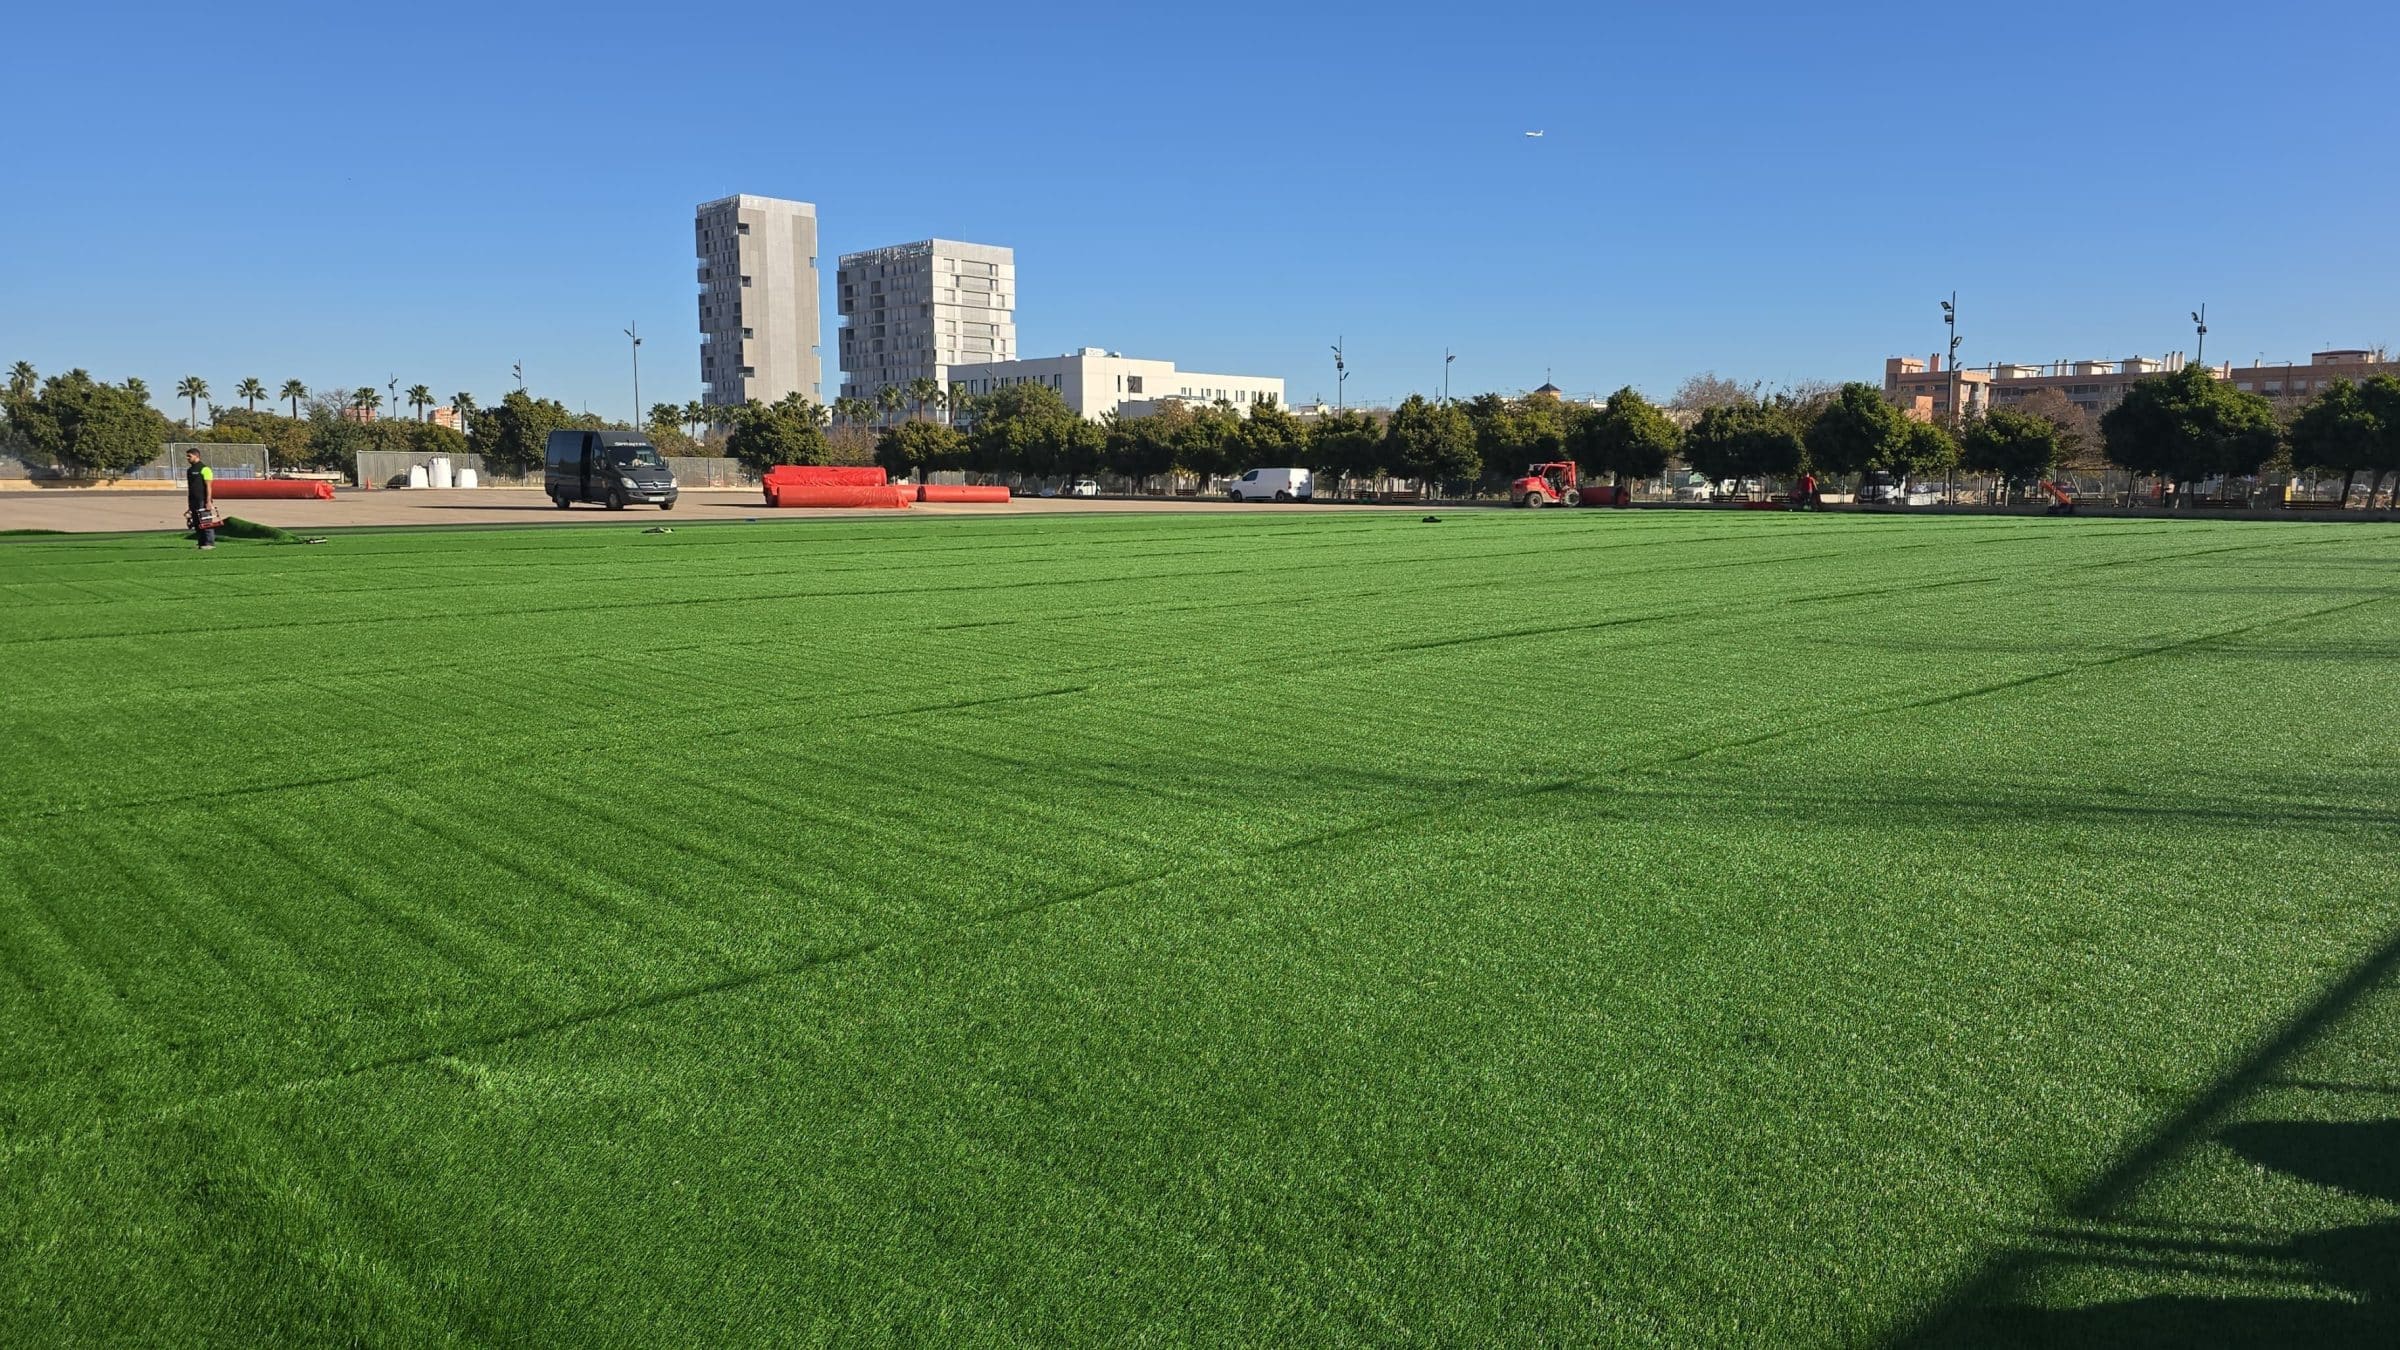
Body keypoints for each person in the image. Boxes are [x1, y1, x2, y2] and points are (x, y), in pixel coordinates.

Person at [185, 449, 216, 550]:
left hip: (203, 499)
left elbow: (209, 486)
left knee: (206, 521)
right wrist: (189, 505)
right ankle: (201, 543)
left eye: (189, 456)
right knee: (197, 522)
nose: (187, 458)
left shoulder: (205, 469)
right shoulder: (189, 471)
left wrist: (208, 501)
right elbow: (191, 487)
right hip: (193, 500)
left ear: (196, 456)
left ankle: (209, 543)